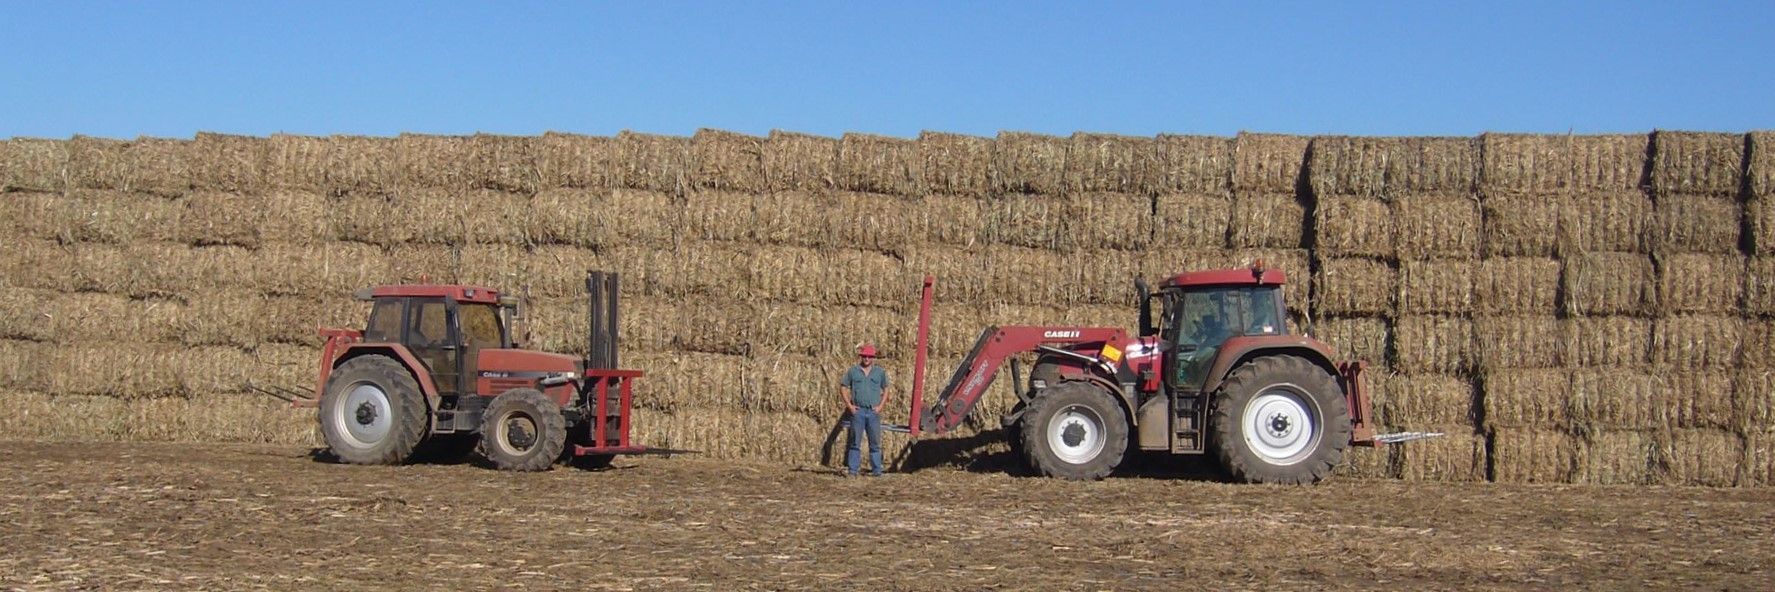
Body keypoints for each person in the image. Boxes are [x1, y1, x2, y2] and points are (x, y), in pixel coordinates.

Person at [838, 343, 891, 477]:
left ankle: (877, 471)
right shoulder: (853, 371)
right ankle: (853, 471)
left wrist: (880, 406)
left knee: (875, 443)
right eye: (865, 356)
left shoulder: (880, 372)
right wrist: (850, 406)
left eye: (869, 356)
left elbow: (886, 389)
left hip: (873, 413)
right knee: (855, 442)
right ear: (861, 357)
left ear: (873, 358)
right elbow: (843, 387)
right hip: (858, 412)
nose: (867, 359)